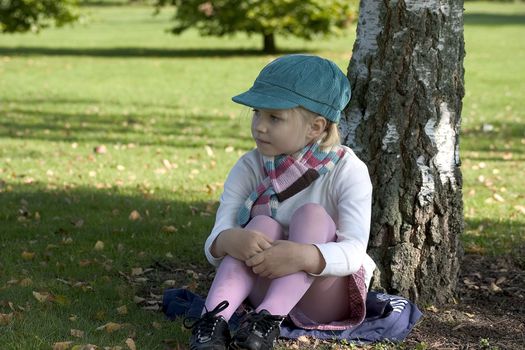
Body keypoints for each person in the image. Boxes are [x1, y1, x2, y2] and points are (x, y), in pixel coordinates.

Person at [186, 54, 376, 350]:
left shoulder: (347, 170)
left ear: (315, 127)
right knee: (259, 224)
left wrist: (303, 256)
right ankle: (212, 323)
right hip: (263, 281)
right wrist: (228, 240)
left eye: (274, 117)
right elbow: (214, 243)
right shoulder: (250, 166)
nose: (260, 126)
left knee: (312, 215)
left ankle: (266, 324)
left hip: (323, 296)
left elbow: (353, 251)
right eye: (257, 113)